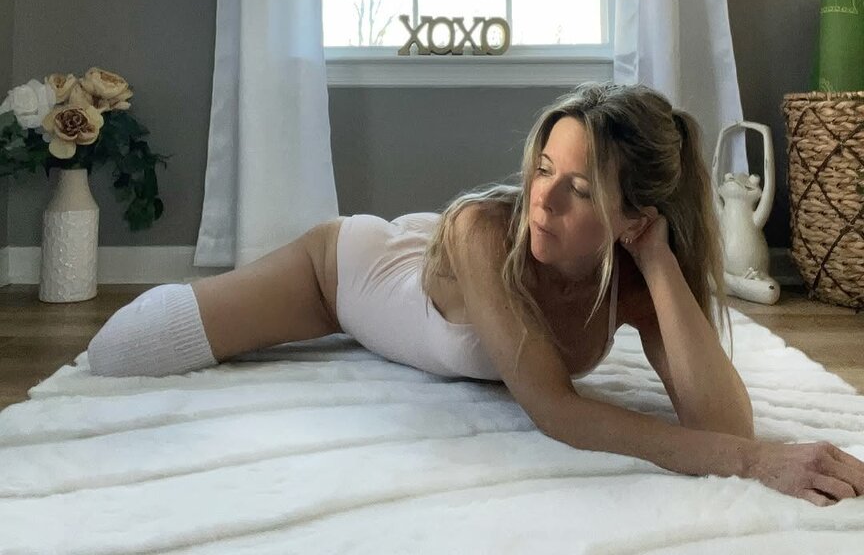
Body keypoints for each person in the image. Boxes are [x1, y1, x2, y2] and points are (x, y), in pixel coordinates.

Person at [86, 81, 864, 507]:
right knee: (123, 350)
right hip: (348, 274)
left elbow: (721, 422)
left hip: (463, 271)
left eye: (579, 189)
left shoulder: (632, 270)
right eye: (542, 170)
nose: (543, 201)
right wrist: (754, 463)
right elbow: (557, 411)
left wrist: (659, 261)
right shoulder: (485, 229)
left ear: (635, 218)